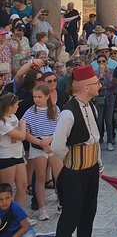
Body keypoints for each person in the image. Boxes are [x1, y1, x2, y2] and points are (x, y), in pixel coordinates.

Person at [52, 64, 102, 237]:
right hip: (75, 173)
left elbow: (95, 140)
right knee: (71, 216)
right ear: (86, 87)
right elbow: (57, 146)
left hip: (91, 170)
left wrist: (98, 165)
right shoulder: (68, 112)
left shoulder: (92, 107)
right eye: (96, 83)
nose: (100, 85)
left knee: (88, 214)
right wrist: (74, 159)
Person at [23, 85, 62, 221]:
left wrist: (49, 141)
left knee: (59, 177)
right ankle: (42, 208)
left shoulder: (55, 110)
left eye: (39, 97)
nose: (37, 100)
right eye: (35, 97)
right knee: (40, 177)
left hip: (53, 146)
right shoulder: (29, 112)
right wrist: (40, 142)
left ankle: (61, 202)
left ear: (47, 96)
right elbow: (26, 133)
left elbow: (60, 128)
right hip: (37, 146)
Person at [0, 93, 27, 208]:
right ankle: (5, 217)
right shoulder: (2, 122)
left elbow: (19, 134)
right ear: (10, 107)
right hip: (7, 157)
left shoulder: (14, 117)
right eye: (16, 105)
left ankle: (17, 215)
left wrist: (20, 129)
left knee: (23, 186)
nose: (18, 107)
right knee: (6, 190)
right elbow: (21, 136)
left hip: (18, 155)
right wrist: (23, 125)